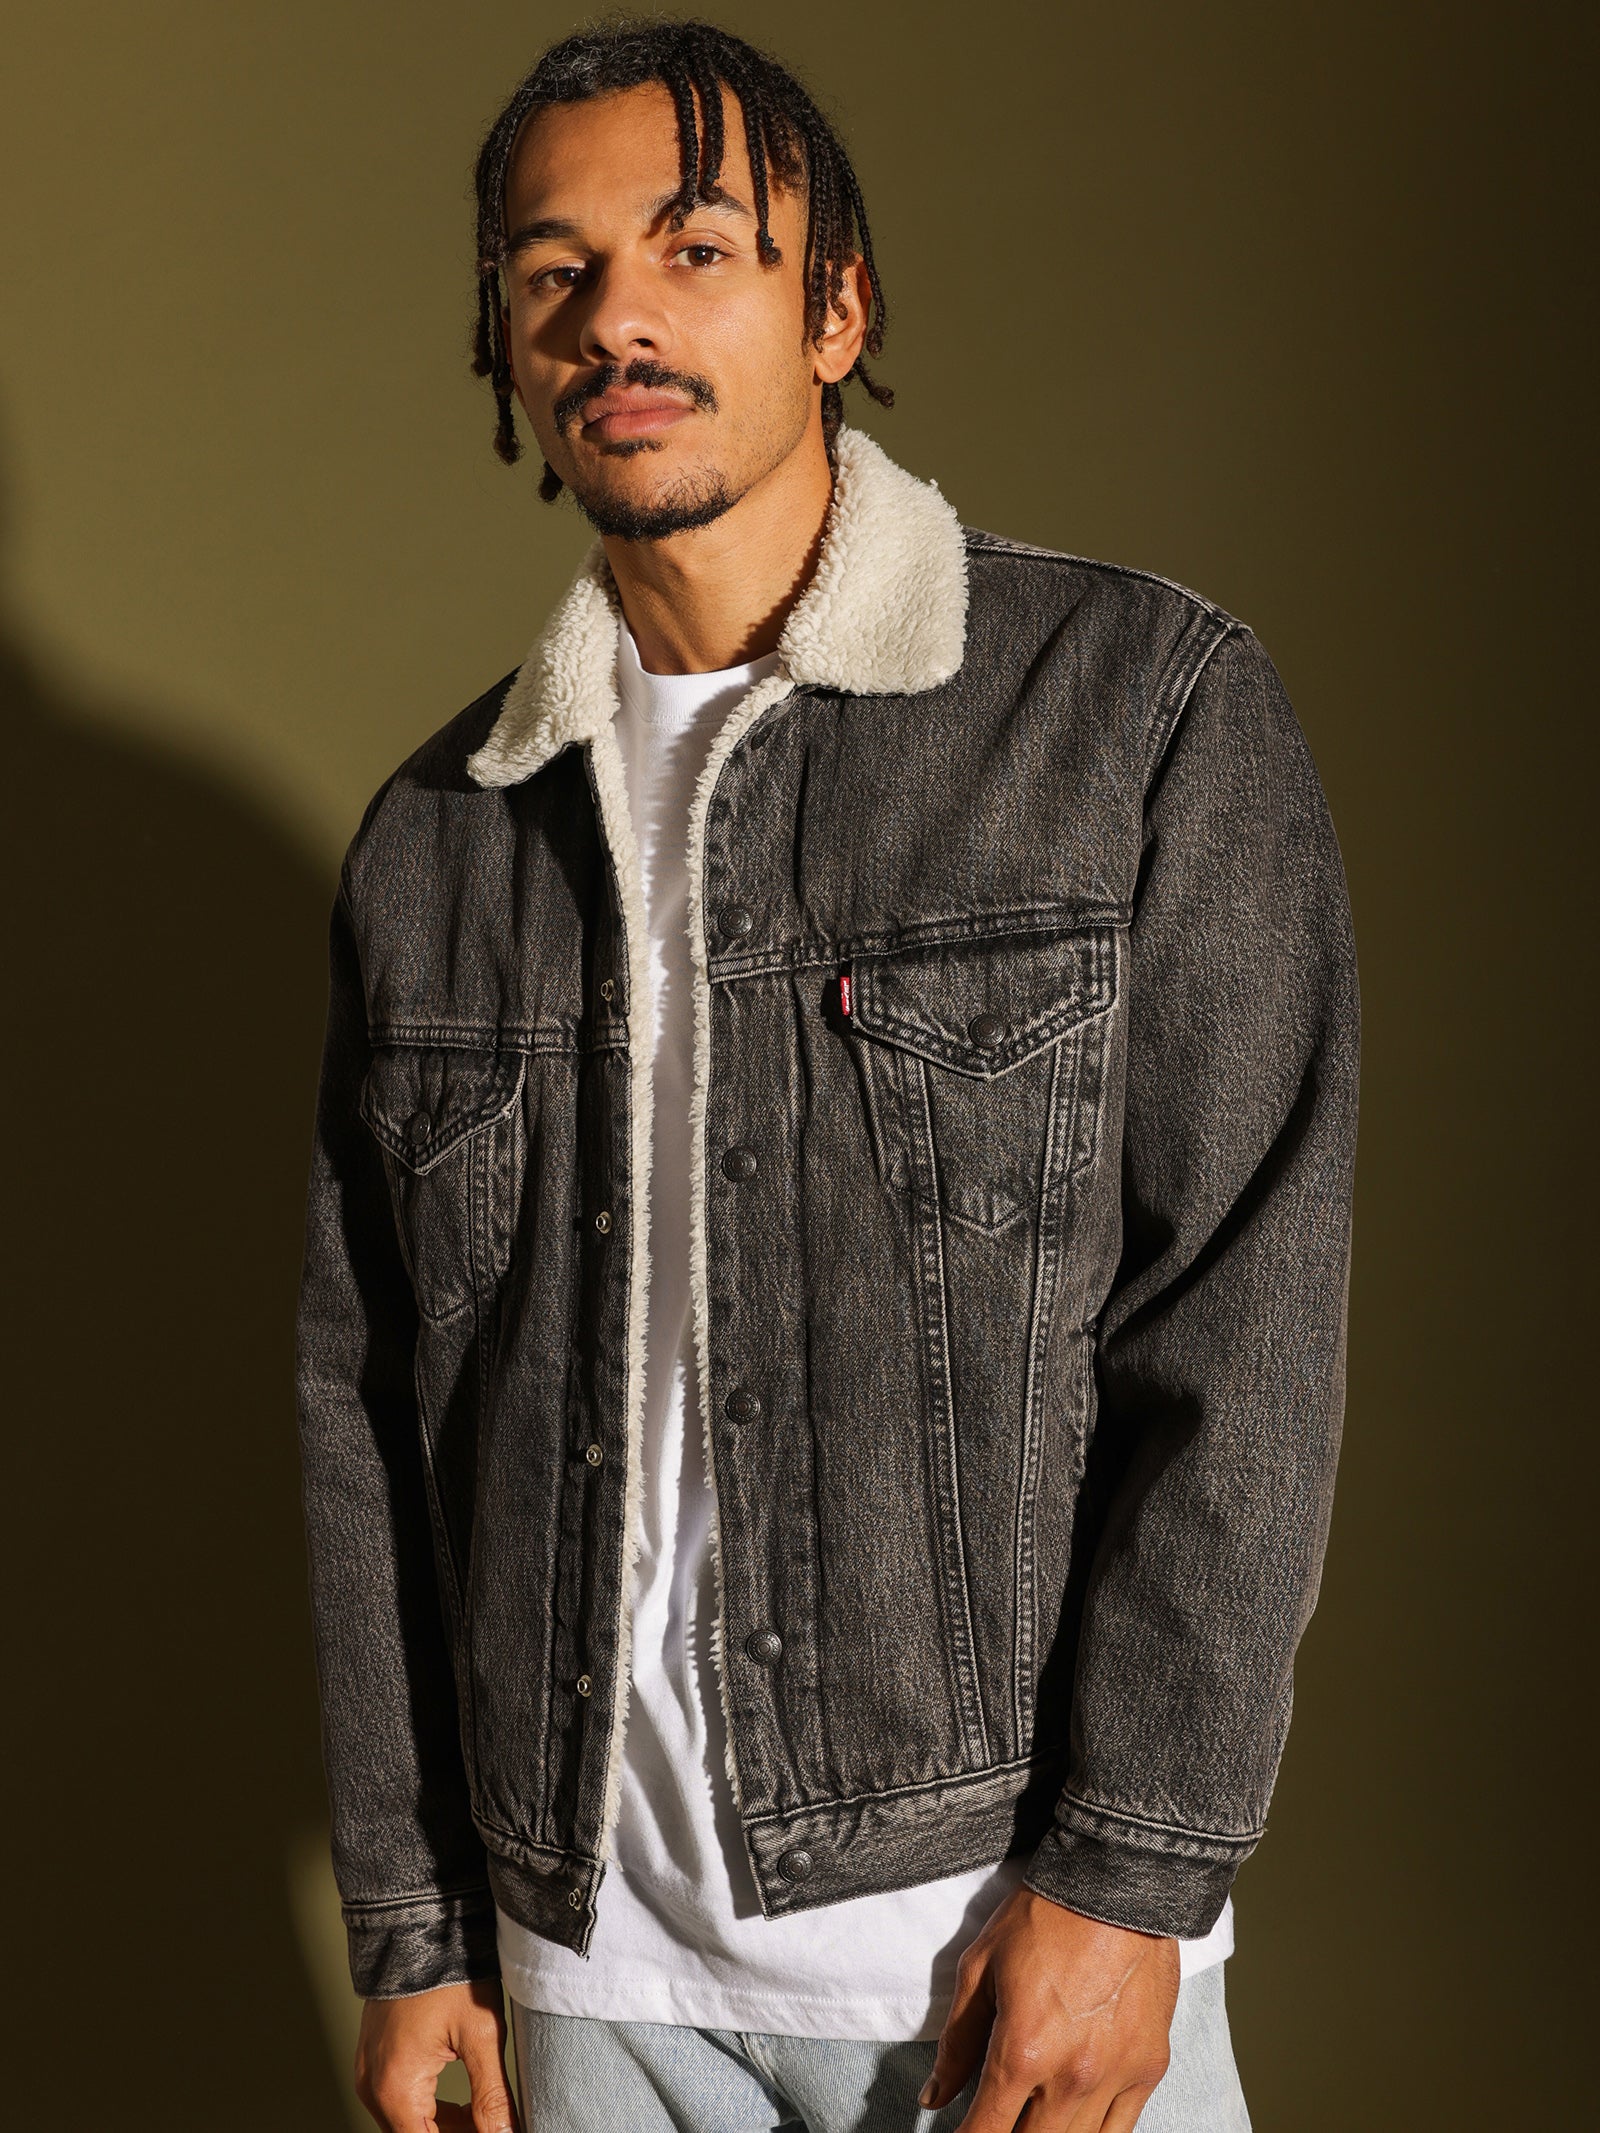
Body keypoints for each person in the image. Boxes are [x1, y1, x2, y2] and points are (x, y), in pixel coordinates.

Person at [294, 19, 1359, 2133]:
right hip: (583, 1977)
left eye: (695, 247)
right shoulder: (439, 840)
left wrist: (1133, 1881)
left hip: (988, 1948)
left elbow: (1245, 1335)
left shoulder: (1132, 714)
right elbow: (370, 1418)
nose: (617, 318)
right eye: (554, 270)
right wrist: (417, 1932)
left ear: (836, 307)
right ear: (507, 342)